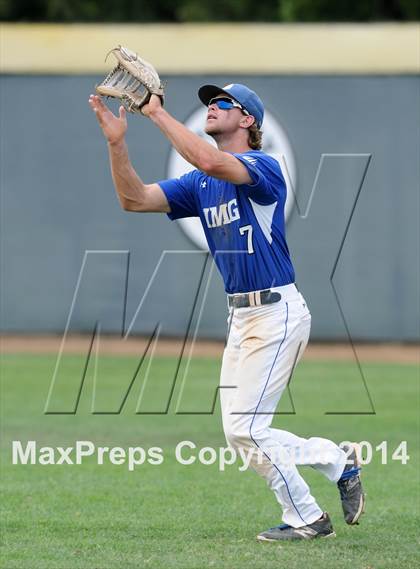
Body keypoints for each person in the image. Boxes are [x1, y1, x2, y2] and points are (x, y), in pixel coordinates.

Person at [88, 83, 365, 541]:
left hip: (277, 312)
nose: (211, 108)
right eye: (210, 102)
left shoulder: (263, 167)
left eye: (223, 104)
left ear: (248, 121)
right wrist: (117, 143)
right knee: (243, 433)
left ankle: (308, 518)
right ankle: (338, 461)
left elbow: (212, 160)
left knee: (245, 430)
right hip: (242, 317)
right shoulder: (200, 184)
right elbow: (134, 199)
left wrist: (156, 113)